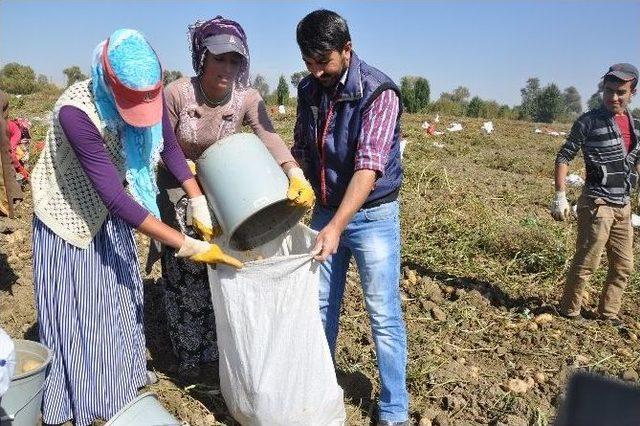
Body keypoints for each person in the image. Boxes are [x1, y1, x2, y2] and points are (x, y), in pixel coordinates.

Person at [29, 29, 241, 425]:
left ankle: (121, 384)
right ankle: (86, 399)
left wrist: (196, 198)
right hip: (69, 216)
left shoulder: (148, 89)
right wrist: (187, 244)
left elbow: (170, 148)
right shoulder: (75, 112)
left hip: (113, 211)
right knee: (83, 310)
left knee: (119, 299)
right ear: (109, 80)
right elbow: (112, 195)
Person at [157, 16, 314, 377]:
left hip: (226, 187)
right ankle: (191, 357)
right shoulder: (177, 93)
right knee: (187, 263)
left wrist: (292, 171)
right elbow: (164, 145)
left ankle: (223, 349)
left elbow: (268, 135)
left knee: (224, 261)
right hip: (178, 186)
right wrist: (188, 180)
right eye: (219, 58)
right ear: (202, 58)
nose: (227, 68)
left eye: (235, 60)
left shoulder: (247, 97)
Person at [292, 10, 409, 425]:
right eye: (309, 61)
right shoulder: (309, 89)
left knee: (382, 312)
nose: (317, 70)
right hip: (325, 209)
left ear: (347, 48)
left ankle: (395, 410)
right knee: (321, 306)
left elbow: (368, 167)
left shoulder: (378, 93)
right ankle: (321, 395)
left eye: (323, 60)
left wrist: (337, 225)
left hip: (372, 215)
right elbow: (303, 150)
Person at [552, 63, 639, 324]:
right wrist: (560, 195)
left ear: (632, 92)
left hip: (623, 205)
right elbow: (564, 155)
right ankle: (569, 311)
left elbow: (636, 162)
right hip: (597, 203)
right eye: (608, 90)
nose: (613, 97)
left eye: (620, 92)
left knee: (624, 266)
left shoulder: (636, 126)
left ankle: (608, 313)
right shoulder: (588, 121)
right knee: (587, 261)